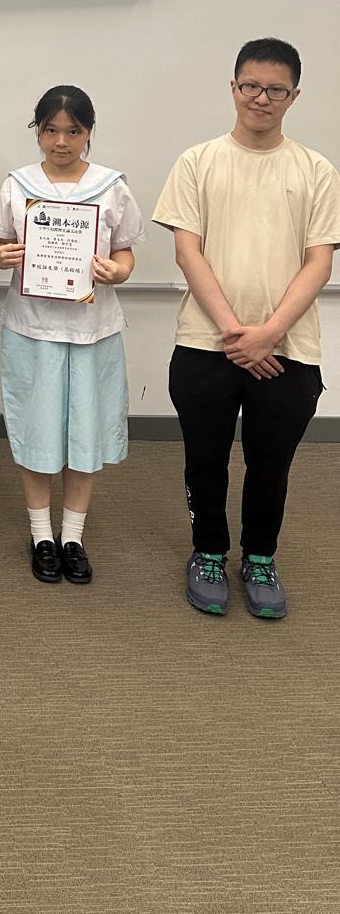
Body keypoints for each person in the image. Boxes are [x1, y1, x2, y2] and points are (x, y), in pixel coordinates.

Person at [153, 37, 340, 621]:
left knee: (271, 463)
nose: (262, 98)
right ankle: (208, 552)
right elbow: (188, 252)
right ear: (233, 88)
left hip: (289, 348)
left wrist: (269, 333)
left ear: (294, 97)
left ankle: (260, 556)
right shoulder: (197, 162)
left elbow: (319, 262)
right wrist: (238, 332)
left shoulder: (316, 170)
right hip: (205, 343)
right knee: (204, 460)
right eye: (251, 86)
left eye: (275, 90)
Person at [0, 86, 144, 585]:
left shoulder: (111, 186)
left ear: (89, 132)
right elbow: (0, 247)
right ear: (38, 132)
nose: (61, 141)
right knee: (36, 431)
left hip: (92, 331)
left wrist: (119, 272)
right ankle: (41, 534)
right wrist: (1, 256)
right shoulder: (18, 184)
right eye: (51, 130)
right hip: (31, 328)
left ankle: (72, 536)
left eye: (73, 131)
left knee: (85, 432)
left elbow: (125, 252)